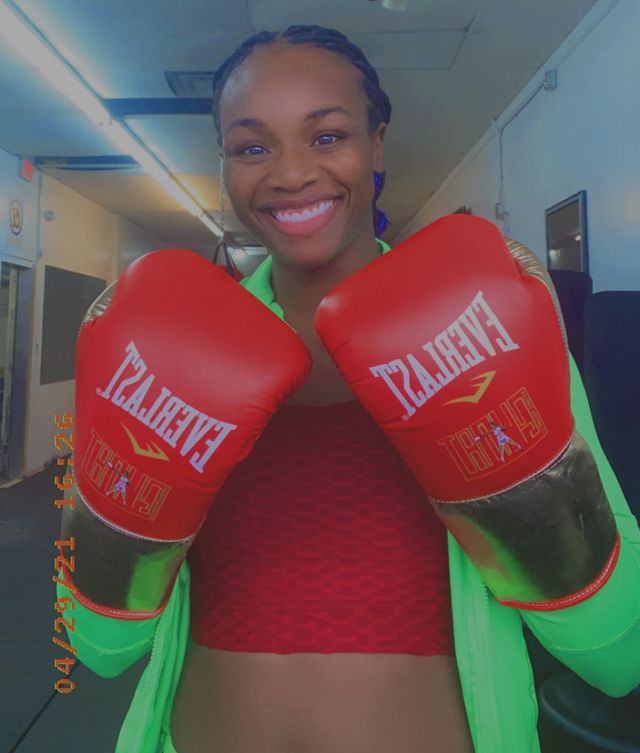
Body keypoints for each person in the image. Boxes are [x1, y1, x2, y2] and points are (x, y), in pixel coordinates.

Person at [56, 25, 640, 753]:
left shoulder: (485, 331)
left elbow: (619, 656)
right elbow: (96, 648)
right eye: (253, 146)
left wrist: (526, 494)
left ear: (378, 145)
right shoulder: (156, 350)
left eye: (326, 136)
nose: (291, 173)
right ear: (225, 166)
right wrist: (125, 509)